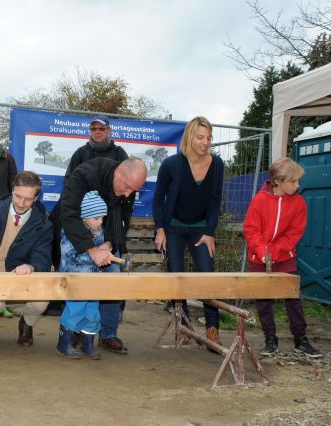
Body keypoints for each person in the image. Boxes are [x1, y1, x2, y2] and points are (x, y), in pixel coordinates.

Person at [48, 114, 132, 338]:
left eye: (101, 128)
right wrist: (88, 216)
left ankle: (109, 334)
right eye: (93, 128)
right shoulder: (80, 154)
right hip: (80, 229)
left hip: (108, 227)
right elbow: (69, 190)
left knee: (111, 277)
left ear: (109, 131)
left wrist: (111, 241)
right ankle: (73, 333)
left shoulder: (120, 155)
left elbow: (124, 207)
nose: (97, 131)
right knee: (77, 279)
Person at [60, 157, 147, 352]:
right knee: (78, 288)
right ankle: (71, 333)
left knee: (111, 282)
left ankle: (108, 334)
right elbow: (68, 213)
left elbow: (123, 219)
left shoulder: (128, 187)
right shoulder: (84, 175)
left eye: (133, 190)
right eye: (126, 188)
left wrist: (108, 245)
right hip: (75, 239)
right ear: (119, 173)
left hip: (105, 236)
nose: (128, 194)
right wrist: (91, 249)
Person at [152, 116, 224, 345]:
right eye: (200, 137)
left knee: (207, 277)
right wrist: (160, 228)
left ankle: (213, 329)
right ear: (190, 137)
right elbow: (157, 199)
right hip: (173, 227)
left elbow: (215, 203)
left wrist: (210, 232)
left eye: (209, 138)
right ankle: (183, 327)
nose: (205, 142)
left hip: (200, 229)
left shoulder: (218, 165)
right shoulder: (171, 164)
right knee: (178, 277)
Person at [243, 158, 321, 358]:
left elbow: (295, 233)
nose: (297, 185)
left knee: (293, 297)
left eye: (298, 181)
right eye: (293, 181)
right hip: (258, 258)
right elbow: (252, 229)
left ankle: (300, 339)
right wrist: (262, 251)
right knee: (264, 299)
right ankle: (270, 338)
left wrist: (275, 251)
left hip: (285, 257)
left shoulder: (299, 203)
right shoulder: (259, 200)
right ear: (278, 180)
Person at [0, 171, 53, 346]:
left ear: (36, 198)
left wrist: (31, 267)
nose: (20, 203)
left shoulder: (44, 225)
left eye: (27, 199)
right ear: (12, 190)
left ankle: (27, 324)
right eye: (17, 196)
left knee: (42, 302)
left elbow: (43, 257)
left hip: (23, 276)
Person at [56, 191, 112, 360]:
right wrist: (94, 255)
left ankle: (87, 344)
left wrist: (105, 247)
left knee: (93, 313)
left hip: (92, 280)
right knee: (75, 310)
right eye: (96, 218)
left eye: (102, 217)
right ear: (84, 217)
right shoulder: (71, 232)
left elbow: (99, 247)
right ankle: (63, 344)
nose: (100, 221)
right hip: (75, 280)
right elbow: (69, 256)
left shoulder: (97, 229)